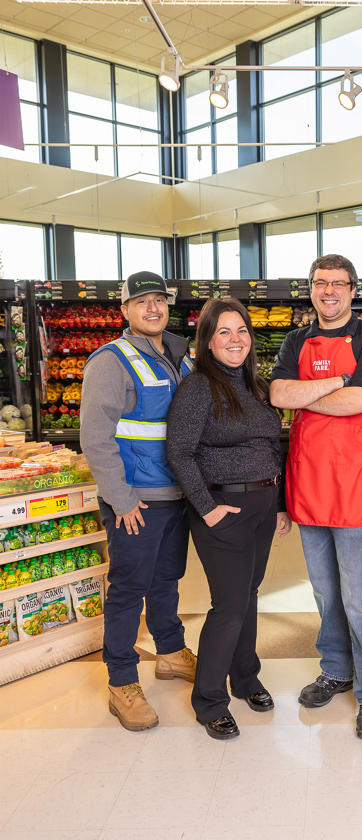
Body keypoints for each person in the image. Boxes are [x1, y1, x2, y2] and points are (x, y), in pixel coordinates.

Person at [269, 254, 362, 739]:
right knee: (324, 590)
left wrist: (308, 394)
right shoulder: (295, 339)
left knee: (360, 595)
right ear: (312, 290)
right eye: (322, 284)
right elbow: (278, 394)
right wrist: (339, 381)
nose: (330, 292)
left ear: (353, 291)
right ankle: (336, 668)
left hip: (356, 481)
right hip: (309, 481)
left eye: (339, 284)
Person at [166, 298, 291, 740]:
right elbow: (179, 452)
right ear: (207, 340)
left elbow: (273, 446)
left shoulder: (258, 386)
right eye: (224, 332)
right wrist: (208, 508)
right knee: (230, 606)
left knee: (249, 596)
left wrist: (279, 503)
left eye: (241, 331)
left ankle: (246, 678)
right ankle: (210, 700)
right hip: (223, 510)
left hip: (261, 506)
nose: (235, 340)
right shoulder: (198, 387)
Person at [80, 271, 196, 732]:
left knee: (167, 580)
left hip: (177, 494)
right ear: (124, 310)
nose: (153, 309)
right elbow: (96, 436)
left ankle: (169, 651)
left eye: (160, 301)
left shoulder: (182, 355)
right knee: (128, 589)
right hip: (136, 500)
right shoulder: (110, 360)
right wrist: (121, 498)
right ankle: (122, 681)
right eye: (142, 302)